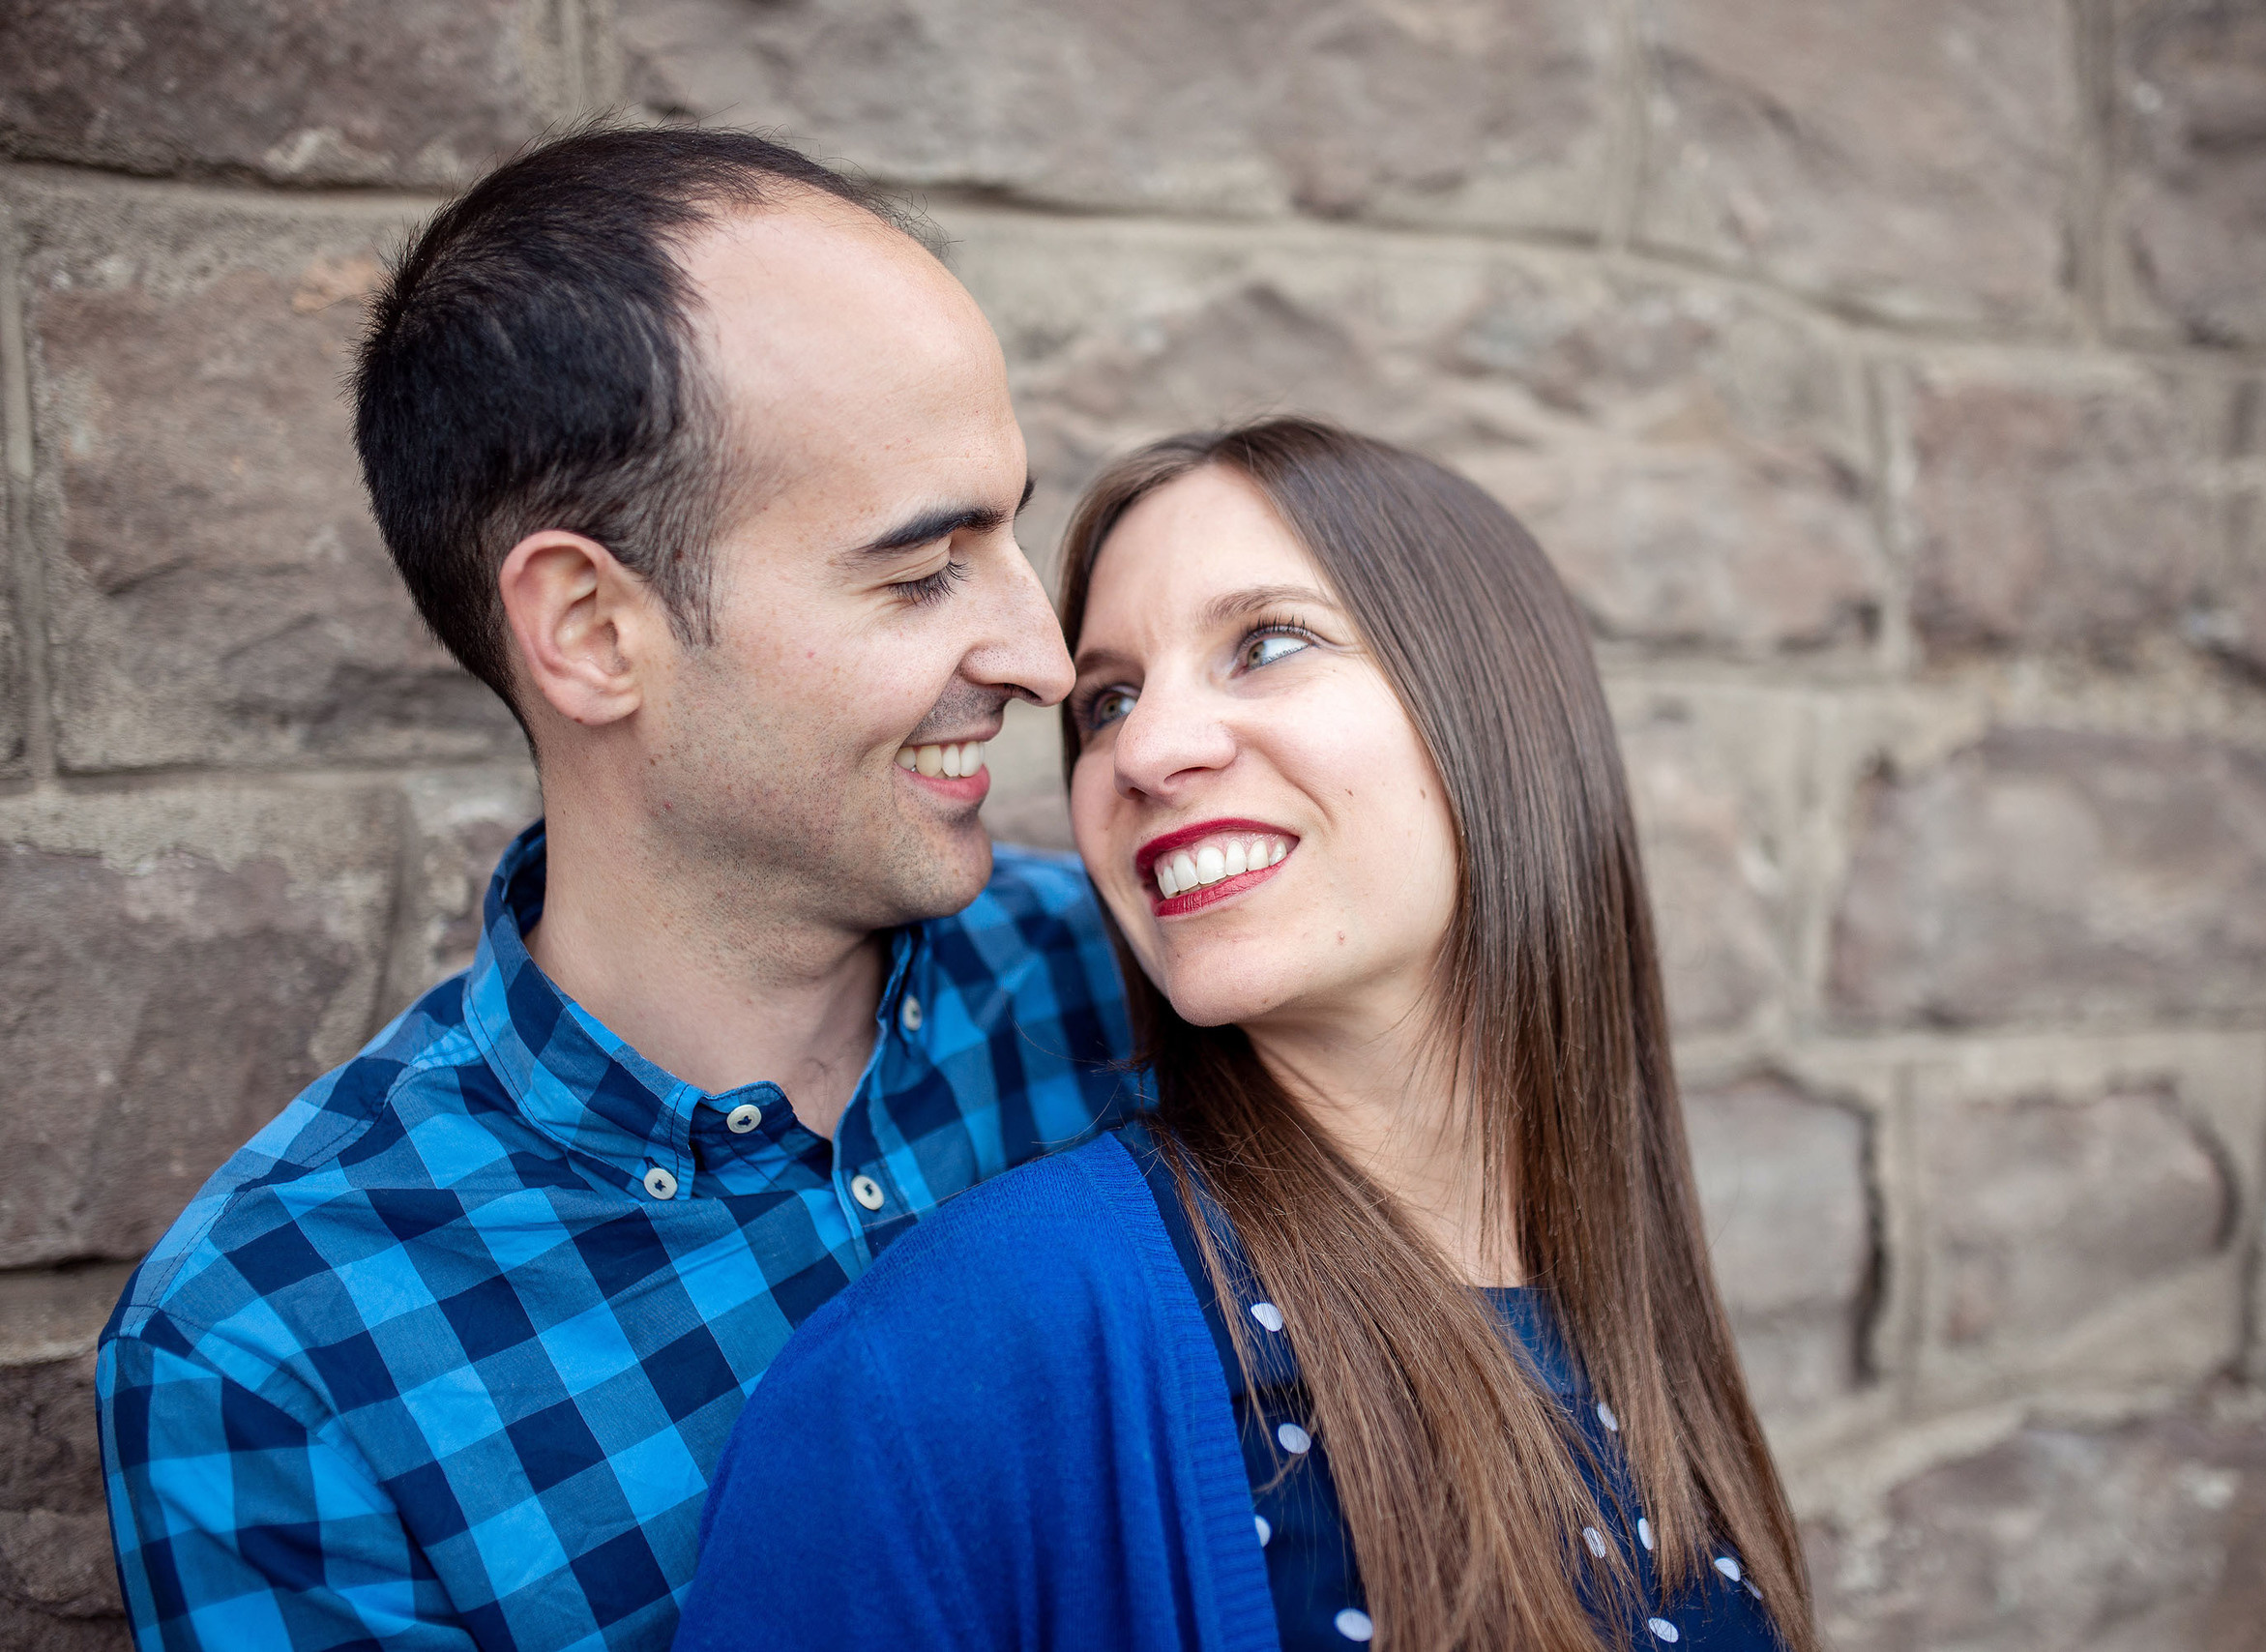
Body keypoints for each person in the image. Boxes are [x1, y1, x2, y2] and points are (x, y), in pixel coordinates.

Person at [95, 126, 1136, 1652]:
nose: (1042, 658)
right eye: (922, 573)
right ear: (589, 628)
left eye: (1012, 533)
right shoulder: (275, 1350)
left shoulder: (1128, 985)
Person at [675, 418, 1816, 1652]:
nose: (1149, 751)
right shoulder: (958, 1357)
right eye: (1108, 700)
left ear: (1493, 709)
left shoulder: (1621, 1304)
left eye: (1265, 644)